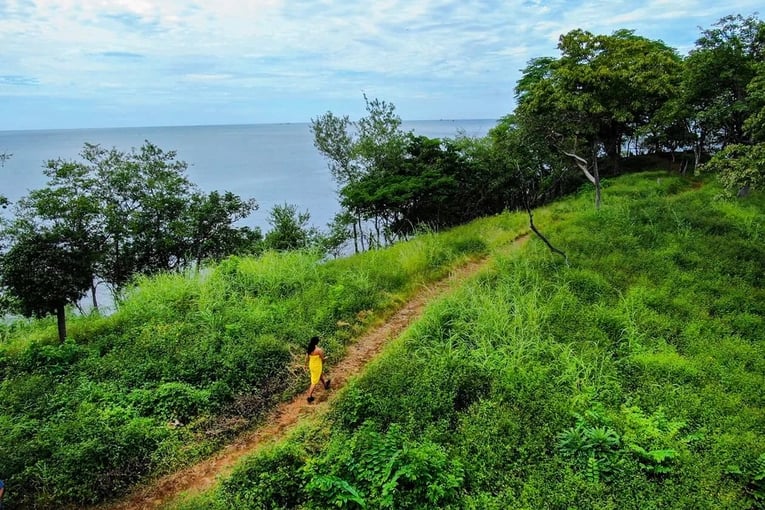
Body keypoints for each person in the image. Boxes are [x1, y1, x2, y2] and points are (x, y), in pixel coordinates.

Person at [306, 336, 330, 403]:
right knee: (314, 382)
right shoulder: (319, 350)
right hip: (317, 366)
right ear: (317, 342)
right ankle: (309, 397)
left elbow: (306, 359)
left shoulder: (309, 349)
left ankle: (325, 385)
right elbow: (323, 359)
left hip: (311, 366)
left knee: (320, 376)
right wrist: (326, 358)